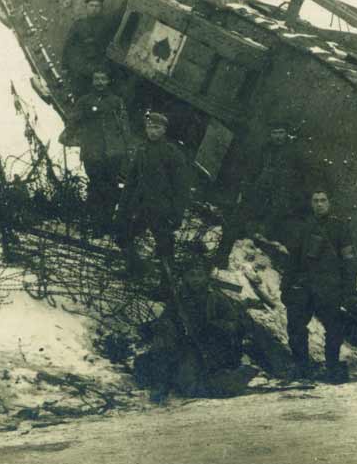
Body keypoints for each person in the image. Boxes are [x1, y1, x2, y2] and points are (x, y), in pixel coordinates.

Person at [135, 256, 256, 401]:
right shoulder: (178, 299)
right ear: (185, 278)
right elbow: (167, 320)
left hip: (216, 349)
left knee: (191, 387)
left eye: (200, 275)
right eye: (191, 275)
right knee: (156, 363)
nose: (196, 279)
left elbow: (236, 324)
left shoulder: (216, 298)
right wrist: (159, 326)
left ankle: (232, 378)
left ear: (206, 277)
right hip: (188, 347)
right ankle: (162, 385)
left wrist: (214, 326)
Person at [283, 188, 357, 383]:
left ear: (329, 203)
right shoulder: (302, 227)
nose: (319, 204)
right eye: (315, 200)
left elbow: (349, 260)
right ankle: (302, 367)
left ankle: (332, 367)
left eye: (323, 200)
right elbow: (292, 259)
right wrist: (286, 286)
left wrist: (350, 290)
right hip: (305, 286)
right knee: (296, 326)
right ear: (311, 203)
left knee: (334, 329)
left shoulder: (340, 228)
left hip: (330, 286)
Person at [118, 112, 191, 274]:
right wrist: (123, 206)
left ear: (164, 130)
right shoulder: (142, 149)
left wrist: (177, 215)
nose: (152, 131)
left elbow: (182, 189)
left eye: (157, 128)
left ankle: (166, 287)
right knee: (123, 235)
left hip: (161, 210)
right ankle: (135, 268)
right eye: (149, 127)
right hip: (141, 207)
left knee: (165, 250)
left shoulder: (173, 153)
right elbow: (131, 181)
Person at [68, 70, 131, 234]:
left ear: (109, 81)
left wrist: (127, 147)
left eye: (103, 79)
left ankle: (107, 223)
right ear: (92, 81)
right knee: (95, 186)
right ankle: (96, 224)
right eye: (97, 79)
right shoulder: (84, 101)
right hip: (92, 152)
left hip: (113, 152)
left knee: (110, 186)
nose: (100, 82)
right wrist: (67, 136)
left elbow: (124, 126)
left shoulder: (116, 101)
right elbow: (74, 120)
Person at [61, 0, 117, 98]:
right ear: (86, 7)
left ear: (101, 9)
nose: (94, 9)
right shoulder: (79, 24)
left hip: (94, 67)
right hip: (79, 64)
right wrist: (64, 65)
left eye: (97, 6)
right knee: (76, 91)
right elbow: (68, 44)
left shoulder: (105, 25)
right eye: (91, 6)